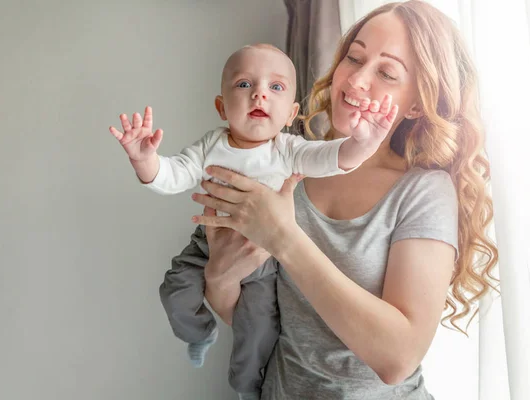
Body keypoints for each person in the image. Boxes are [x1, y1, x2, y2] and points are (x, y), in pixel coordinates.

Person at [190, 1, 499, 399]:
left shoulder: (423, 191)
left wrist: (285, 238)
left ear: (419, 102)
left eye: (387, 73)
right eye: (354, 58)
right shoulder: (290, 166)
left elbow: (397, 359)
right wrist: (219, 275)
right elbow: (249, 315)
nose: (356, 81)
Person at [108, 43, 397, 399]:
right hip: (207, 243)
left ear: (291, 113)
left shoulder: (288, 149)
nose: (259, 93)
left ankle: (247, 389)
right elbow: (172, 176)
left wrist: (364, 143)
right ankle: (199, 334)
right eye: (244, 84)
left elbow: (332, 158)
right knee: (174, 291)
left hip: (266, 259)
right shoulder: (210, 145)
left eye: (275, 87)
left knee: (256, 331)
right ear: (221, 106)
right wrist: (144, 160)